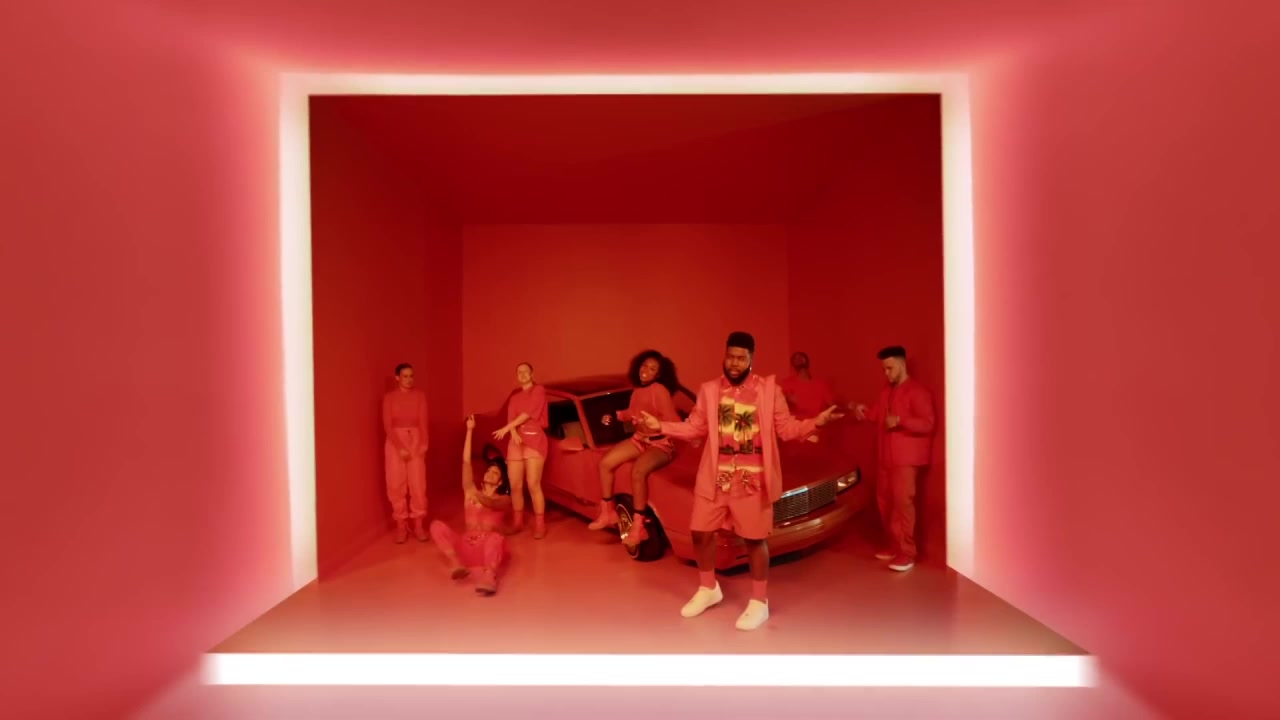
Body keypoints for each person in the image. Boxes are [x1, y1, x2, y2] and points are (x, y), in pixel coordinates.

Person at [638, 332, 843, 631]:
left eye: (741, 358)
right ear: (724, 356)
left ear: (751, 359)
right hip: (715, 477)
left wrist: (815, 423)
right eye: (730, 356)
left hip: (751, 479)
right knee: (700, 532)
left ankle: (759, 601)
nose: (734, 363)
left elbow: (786, 429)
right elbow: (695, 427)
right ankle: (708, 588)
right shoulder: (710, 390)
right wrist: (661, 426)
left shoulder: (768, 391)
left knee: (754, 540)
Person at [851, 346, 936, 572]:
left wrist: (900, 420)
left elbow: (928, 423)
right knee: (885, 503)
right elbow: (876, 415)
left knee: (902, 505)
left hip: (906, 459)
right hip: (885, 458)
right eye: (884, 369)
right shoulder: (886, 392)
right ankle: (894, 545)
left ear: (902, 364)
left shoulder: (918, 391)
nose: (886, 373)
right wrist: (860, 410)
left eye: (890, 368)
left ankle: (907, 553)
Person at [588, 350, 682, 549]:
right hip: (639, 439)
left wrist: (660, 424)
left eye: (652, 369)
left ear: (659, 374)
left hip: (661, 443)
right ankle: (608, 512)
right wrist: (617, 415)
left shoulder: (659, 390)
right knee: (605, 463)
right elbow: (632, 412)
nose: (645, 370)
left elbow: (673, 419)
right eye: (644, 365)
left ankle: (639, 526)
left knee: (638, 471)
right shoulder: (639, 390)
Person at [428, 416, 509, 595]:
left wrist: (479, 496)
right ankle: (455, 563)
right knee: (436, 526)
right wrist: (470, 431)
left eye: (495, 473)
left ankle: (490, 577)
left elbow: (492, 502)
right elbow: (466, 463)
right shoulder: (471, 492)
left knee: (497, 539)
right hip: (465, 548)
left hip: (486, 551)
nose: (490, 473)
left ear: (500, 481)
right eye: (489, 471)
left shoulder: (503, 499)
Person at [492, 362, 550, 539]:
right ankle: (518, 523)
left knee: (533, 484)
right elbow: (511, 417)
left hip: (534, 439)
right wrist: (513, 432)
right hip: (517, 441)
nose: (523, 374)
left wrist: (506, 429)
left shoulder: (538, 390)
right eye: (519, 372)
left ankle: (540, 525)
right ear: (516, 376)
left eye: (526, 371)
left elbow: (528, 414)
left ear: (532, 374)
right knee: (515, 485)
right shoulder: (514, 397)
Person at [382, 362, 429, 543]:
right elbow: (387, 425)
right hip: (395, 441)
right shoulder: (389, 398)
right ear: (397, 378)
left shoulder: (420, 396)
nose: (409, 379)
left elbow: (423, 422)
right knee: (396, 483)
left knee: (418, 483)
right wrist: (399, 446)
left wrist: (423, 443)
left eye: (411, 376)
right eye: (405, 376)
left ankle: (418, 525)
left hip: (415, 438)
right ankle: (401, 526)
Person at [779, 351, 838, 421]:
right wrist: (788, 400)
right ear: (793, 366)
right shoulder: (787, 383)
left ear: (807, 361)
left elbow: (833, 405)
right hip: (797, 423)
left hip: (816, 423)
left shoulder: (821, 383)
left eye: (801, 357)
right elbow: (782, 405)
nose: (799, 360)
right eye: (795, 359)